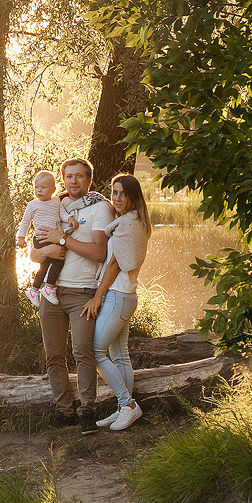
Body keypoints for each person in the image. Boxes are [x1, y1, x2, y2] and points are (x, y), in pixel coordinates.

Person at [32, 158, 113, 434]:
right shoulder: (54, 206)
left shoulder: (101, 208)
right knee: (54, 355)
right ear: (62, 180)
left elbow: (100, 253)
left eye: (80, 176)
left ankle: (87, 411)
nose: (74, 181)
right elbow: (34, 253)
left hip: (82, 292)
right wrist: (46, 251)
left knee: (83, 352)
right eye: (69, 177)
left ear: (89, 180)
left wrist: (64, 240)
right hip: (51, 294)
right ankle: (64, 410)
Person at [82, 174, 152, 432]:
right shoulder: (130, 221)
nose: (118, 198)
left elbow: (113, 264)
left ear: (133, 197)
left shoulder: (128, 225)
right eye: (114, 193)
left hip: (117, 296)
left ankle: (128, 405)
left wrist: (97, 297)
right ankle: (123, 408)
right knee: (119, 355)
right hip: (126, 295)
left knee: (95, 351)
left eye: (123, 194)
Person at [16, 170, 74, 306]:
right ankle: (49, 287)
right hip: (41, 238)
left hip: (53, 237)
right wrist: (21, 238)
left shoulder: (56, 202)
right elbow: (25, 222)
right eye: (36, 187)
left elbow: (63, 214)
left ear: (53, 190)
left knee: (45, 265)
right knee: (58, 261)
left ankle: (34, 289)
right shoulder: (33, 205)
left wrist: (70, 218)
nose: (39, 190)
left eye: (43, 187)